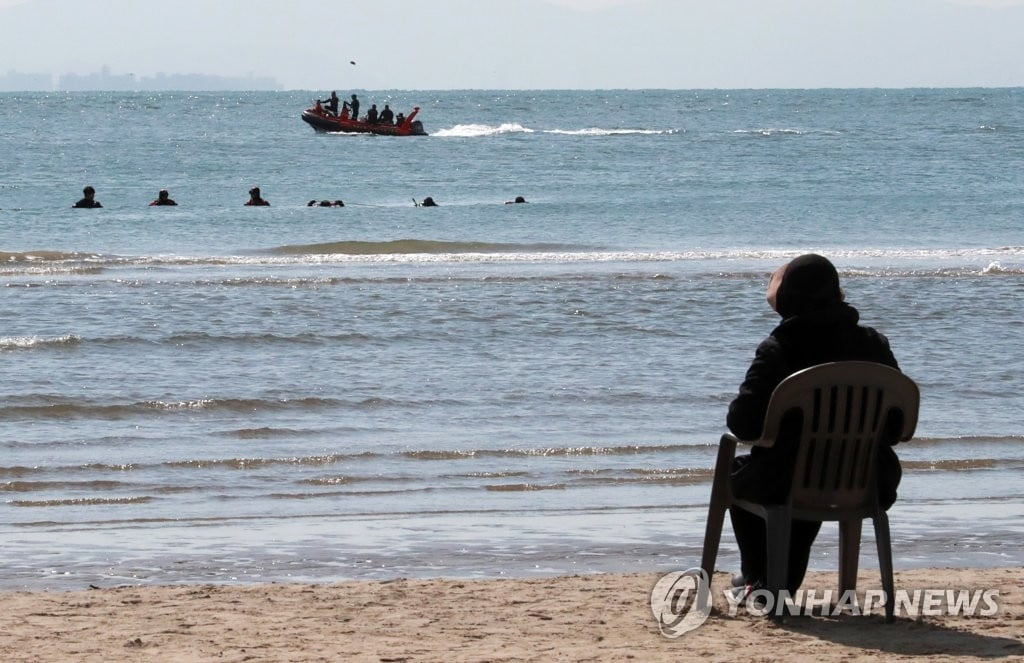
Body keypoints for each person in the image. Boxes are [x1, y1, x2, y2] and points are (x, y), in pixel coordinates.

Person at [726, 254, 901, 598]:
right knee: (811, 470)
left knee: (740, 474)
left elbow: (743, 424)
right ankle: (766, 581)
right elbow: (895, 428)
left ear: (789, 297)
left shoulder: (779, 349)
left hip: (788, 481)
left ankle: (760, 580)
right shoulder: (873, 344)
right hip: (868, 480)